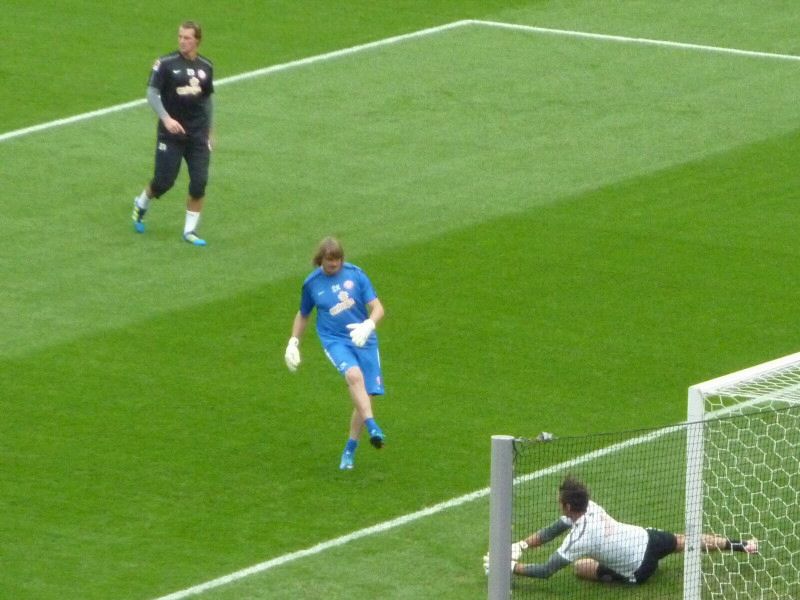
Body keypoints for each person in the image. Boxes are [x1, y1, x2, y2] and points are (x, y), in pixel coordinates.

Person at [484, 475, 758, 584]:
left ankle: (617, 576)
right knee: (686, 541)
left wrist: (509, 566)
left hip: (639, 569)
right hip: (647, 538)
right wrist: (521, 545)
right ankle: (740, 544)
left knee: (580, 567)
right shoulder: (590, 506)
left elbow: (546, 570)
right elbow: (554, 529)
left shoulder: (579, 539)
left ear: (567, 506)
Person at [284, 237, 387, 470]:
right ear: (320, 260)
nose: (334, 265)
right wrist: (293, 342)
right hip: (335, 341)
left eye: (338, 261)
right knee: (353, 376)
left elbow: (378, 308)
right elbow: (303, 314)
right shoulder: (312, 284)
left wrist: (368, 325)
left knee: (366, 395)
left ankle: (350, 449)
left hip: (363, 337)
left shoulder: (356, 275)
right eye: (330, 261)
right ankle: (373, 426)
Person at [131, 20, 214, 246]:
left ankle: (189, 231)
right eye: (180, 37)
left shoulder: (206, 66)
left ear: (197, 40)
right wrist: (166, 119)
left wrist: (209, 130)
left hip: (197, 134)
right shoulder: (166, 64)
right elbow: (151, 93)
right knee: (163, 181)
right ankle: (141, 203)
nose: (182, 41)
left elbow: (207, 100)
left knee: (199, 183)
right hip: (172, 135)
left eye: (187, 38)